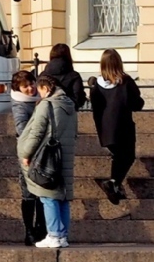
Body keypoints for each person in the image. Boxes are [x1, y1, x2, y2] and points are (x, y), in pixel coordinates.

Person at [23, 73, 79, 248]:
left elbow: (37, 133)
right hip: (65, 154)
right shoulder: (70, 105)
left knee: (48, 196)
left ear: (46, 88)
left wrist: (26, 153)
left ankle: (54, 234)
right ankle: (63, 236)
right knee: (62, 197)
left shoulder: (46, 105)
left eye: (40, 90)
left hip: (48, 156)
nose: (39, 95)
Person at [91, 48, 144, 206]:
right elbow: (137, 103)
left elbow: (95, 105)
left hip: (105, 129)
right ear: (119, 63)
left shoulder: (97, 86)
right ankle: (113, 182)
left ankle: (115, 185)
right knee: (128, 156)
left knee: (118, 156)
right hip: (123, 126)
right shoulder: (126, 81)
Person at [9, 69, 47, 246]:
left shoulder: (40, 101)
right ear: (18, 88)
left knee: (41, 192)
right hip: (28, 154)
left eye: (32, 84)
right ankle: (29, 231)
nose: (30, 89)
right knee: (29, 193)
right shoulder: (20, 104)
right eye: (25, 86)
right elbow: (21, 129)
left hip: (42, 152)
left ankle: (40, 228)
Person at [44, 43, 87, 108]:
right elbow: (79, 97)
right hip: (67, 111)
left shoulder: (43, 74)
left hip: (46, 109)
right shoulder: (74, 76)